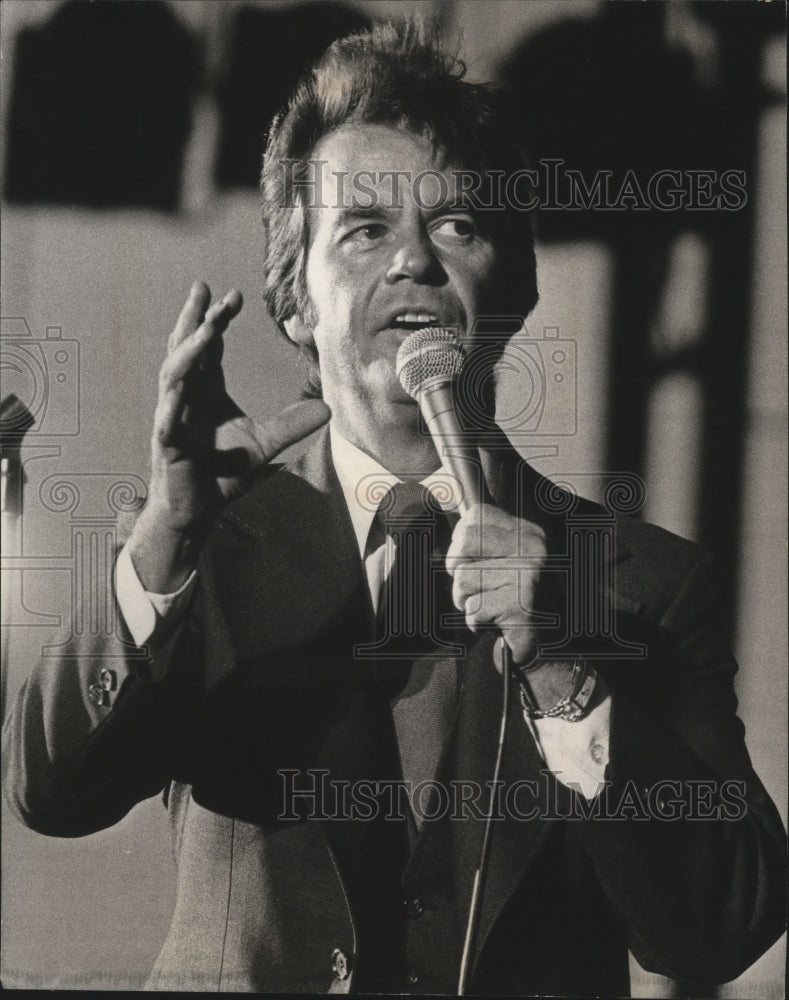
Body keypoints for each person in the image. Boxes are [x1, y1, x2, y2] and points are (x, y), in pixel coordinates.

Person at [3, 20, 785, 996]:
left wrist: (561, 667)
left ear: (517, 284)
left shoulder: (641, 583)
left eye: (457, 225)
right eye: (365, 229)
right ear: (296, 300)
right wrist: (165, 543)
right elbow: (52, 791)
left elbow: (722, 927)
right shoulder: (205, 546)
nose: (413, 260)